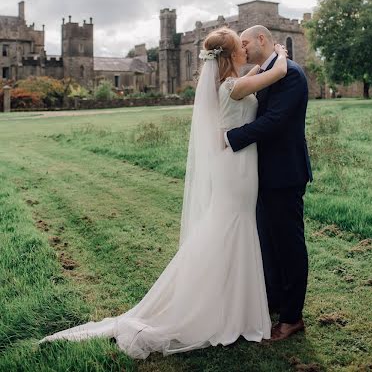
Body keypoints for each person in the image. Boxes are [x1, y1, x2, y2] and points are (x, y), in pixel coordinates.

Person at [39, 28, 288, 360]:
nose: (245, 49)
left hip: (237, 166)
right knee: (233, 226)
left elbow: (254, 75)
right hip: (237, 169)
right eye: (239, 47)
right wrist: (282, 56)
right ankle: (231, 308)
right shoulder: (233, 86)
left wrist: (261, 65)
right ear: (230, 57)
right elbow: (278, 73)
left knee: (232, 226)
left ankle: (234, 303)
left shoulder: (228, 84)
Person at [226, 25, 312, 341]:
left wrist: (230, 138)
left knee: (288, 246)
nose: (242, 48)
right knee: (268, 243)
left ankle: (292, 318)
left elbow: (274, 121)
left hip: (285, 174)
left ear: (262, 39)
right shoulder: (268, 70)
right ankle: (274, 301)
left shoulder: (291, 74)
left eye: (245, 42)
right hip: (261, 175)